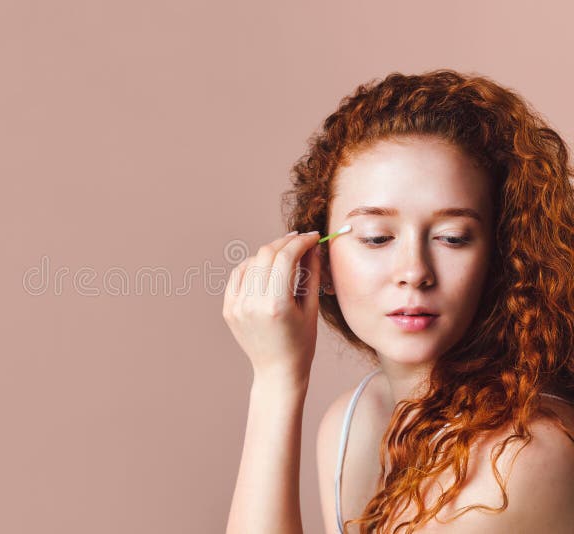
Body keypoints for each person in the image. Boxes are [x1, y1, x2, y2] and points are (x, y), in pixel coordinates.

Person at [222, 69, 574, 533]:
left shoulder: (526, 453)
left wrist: (276, 384)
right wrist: (276, 380)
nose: (414, 272)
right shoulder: (352, 421)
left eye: (452, 238)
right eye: (376, 237)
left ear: (501, 255)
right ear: (320, 260)